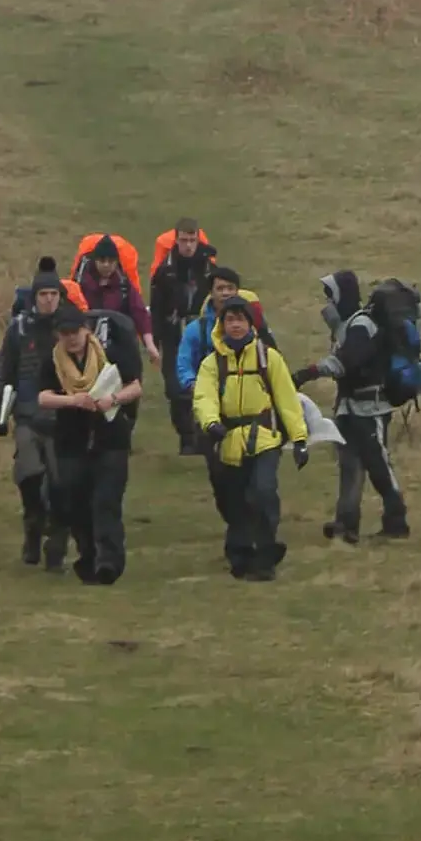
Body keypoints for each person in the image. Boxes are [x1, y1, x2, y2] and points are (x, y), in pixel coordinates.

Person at [23, 303, 145, 585]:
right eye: (64, 333)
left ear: (86, 330)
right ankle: (88, 556)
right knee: (76, 504)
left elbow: (135, 386)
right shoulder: (51, 362)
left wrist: (112, 400)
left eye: (75, 331)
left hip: (110, 436)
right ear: (58, 336)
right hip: (71, 439)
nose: (71, 338)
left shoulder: (110, 354)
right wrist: (72, 400)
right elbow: (41, 397)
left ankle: (109, 562)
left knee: (106, 502)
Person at [193, 297, 309, 581]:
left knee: (263, 491)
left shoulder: (269, 359)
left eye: (240, 319)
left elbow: (287, 400)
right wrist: (211, 424)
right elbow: (204, 397)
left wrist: (300, 439)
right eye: (229, 320)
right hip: (228, 441)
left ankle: (265, 550)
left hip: (266, 439)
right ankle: (241, 554)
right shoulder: (212, 363)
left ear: (250, 324)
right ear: (222, 324)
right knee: (234, 501)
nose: (235, 325)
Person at [294, 270, 411, 543]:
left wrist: (308, 372)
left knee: (378, 465)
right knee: (350, 465)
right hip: (351, 407)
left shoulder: (361, 326)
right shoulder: (351, 325)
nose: (327, 302)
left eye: (329, 295)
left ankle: (397, 522)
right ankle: (346, 525)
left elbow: (347, 361)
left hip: (371, 409)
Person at [173, 266, 278, 517]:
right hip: (211, 413)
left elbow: (274, 363)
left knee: (256, 477)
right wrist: (197, 388)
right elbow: (183, 364)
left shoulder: (256, 328)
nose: (226, 293)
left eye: (231, 288)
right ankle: (235, 520)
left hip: (251, 416)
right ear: (211, 293)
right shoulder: (196, 330)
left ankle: (255, 525)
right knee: (220, 478)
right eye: (220, 288)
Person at [0, 258, 70, 568]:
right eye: (43, 294)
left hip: (66, 421)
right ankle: (33, 528)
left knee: (63, 486)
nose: (49, 300)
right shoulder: (18, 331)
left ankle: (56, 551)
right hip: (28, 417)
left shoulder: (73, 329)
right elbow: (3, 374)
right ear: (34, 297)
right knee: (29, 476)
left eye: (54, 294)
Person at [148, 219, 223, 454]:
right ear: (176, 240)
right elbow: (156, 307)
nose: (188, 245)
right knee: (175, 388)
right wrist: (154, 342)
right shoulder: (164, 271)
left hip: (205, 331)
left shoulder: (210, 269)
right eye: (184, 240)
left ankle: (203, 433)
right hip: (174, 333)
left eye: (192, 240)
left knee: (206, 382)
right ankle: (186, 434)